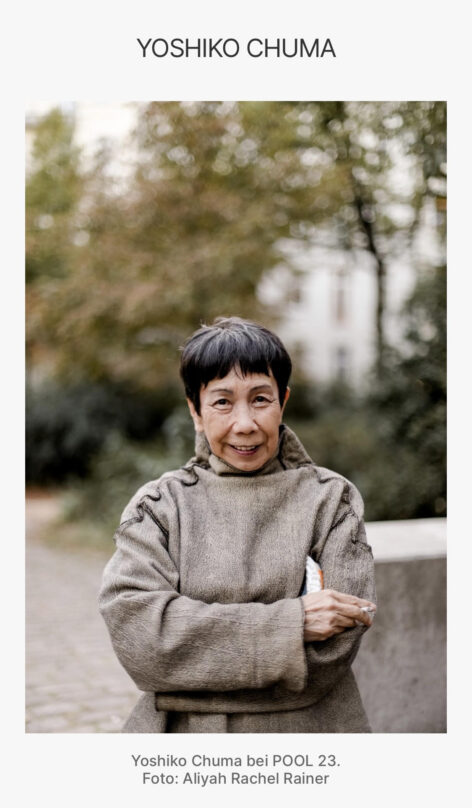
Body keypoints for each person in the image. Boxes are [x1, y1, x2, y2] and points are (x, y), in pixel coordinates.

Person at [99, 317, 376, 733]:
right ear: (196, 410)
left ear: (282, 400)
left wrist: (185, 676)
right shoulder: (158, 506)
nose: (244, 423)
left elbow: (332, 653)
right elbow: (141, 641)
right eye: (223, 402)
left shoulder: (331, 500)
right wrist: (293, 624)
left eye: (260, 399)